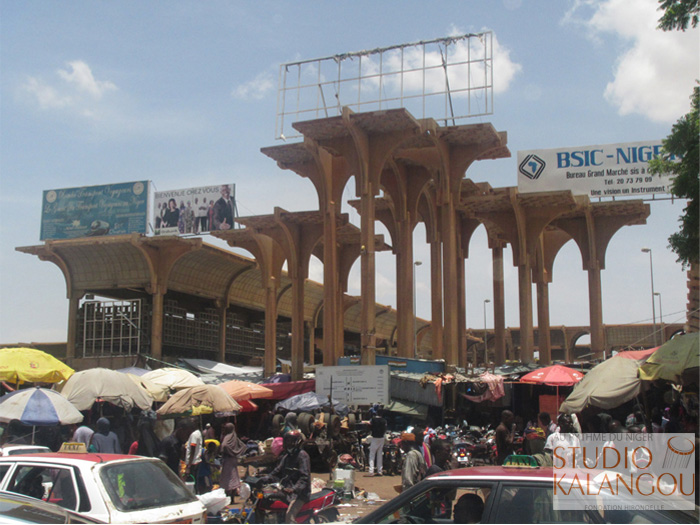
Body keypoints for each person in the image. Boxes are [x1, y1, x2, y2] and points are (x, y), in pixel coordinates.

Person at [263, 430, 311, 523]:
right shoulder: (287, 457)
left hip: (300, 494)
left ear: (297, 442)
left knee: (289, 515)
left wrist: (294, 489)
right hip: (286, 490)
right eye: (287, 441)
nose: (289, 443)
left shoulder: (302, 456)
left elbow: (304, 477)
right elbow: (277, 471)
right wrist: (264, 479)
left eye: (291, 441)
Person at [219, 422, 247, 500]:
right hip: (233, 459)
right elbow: (243, 446)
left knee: (228, 478)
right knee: (233, 476)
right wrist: (236, 452)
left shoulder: (227, 437)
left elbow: (224, 445)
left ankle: (229, 498)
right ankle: (232, 498)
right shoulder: (234, 436)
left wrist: (229, 451)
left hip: (228, 459)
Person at [367, 406, 387, 476]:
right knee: (379, 455)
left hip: (375, 438)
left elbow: (369, 425)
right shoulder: (384, 420)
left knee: (372, 455)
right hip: (381, 438)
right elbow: (385, 429)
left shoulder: (373, 420)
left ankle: (371, 471)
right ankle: (379, 471)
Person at [185, 425, 204, 491]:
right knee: (196, 481)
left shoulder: (193, 435)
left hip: (193, 462)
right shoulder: (198, 433)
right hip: (196, 460)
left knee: (192, 481)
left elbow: (193, 449)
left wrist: (189, 466)